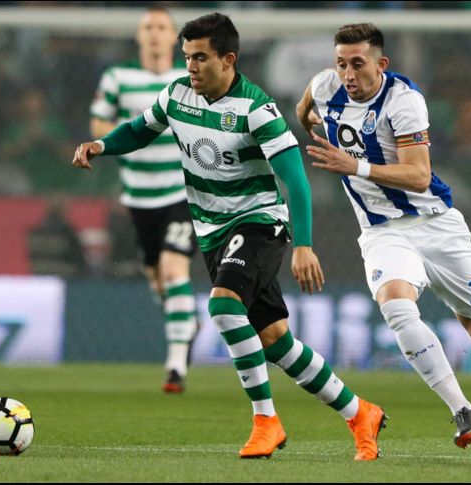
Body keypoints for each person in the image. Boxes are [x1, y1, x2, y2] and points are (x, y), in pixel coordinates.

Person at [74, 12, 386, 461]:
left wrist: (302, 245)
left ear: (229, 59)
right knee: (276, 340)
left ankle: (266, 422)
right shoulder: (178, 94)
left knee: (222, 306)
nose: (191, 67)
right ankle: (360, 413)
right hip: (213, 230)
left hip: (259, 224)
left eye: (200, 58)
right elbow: (141, 129)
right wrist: (102, 145)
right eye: (187, 57)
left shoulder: (256, 110)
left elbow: (295, 179)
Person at [297, 23, 471, 449]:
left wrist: (356, 167)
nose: (347, 74)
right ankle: (463, 411)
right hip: (381, 232)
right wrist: (312, 122)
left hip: (435, 225)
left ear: (380, 64)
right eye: (341, 64)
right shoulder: (325, 85)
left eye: (357, 64)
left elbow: (419, 175)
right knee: (396, 306)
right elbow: (305, 108)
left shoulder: (403, 102)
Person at [88, 6, 198, 393]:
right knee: (158, 281)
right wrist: (139, 127)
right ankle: (187, 324)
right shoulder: (119, 78)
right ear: (138, 37)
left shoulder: (187, 79)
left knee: (172, 268)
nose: (154, 33)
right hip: (138, 199)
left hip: (183, 194)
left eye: (161, 27)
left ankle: (176, 364)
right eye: (147, 27)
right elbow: (98, 125)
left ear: (174, 38)